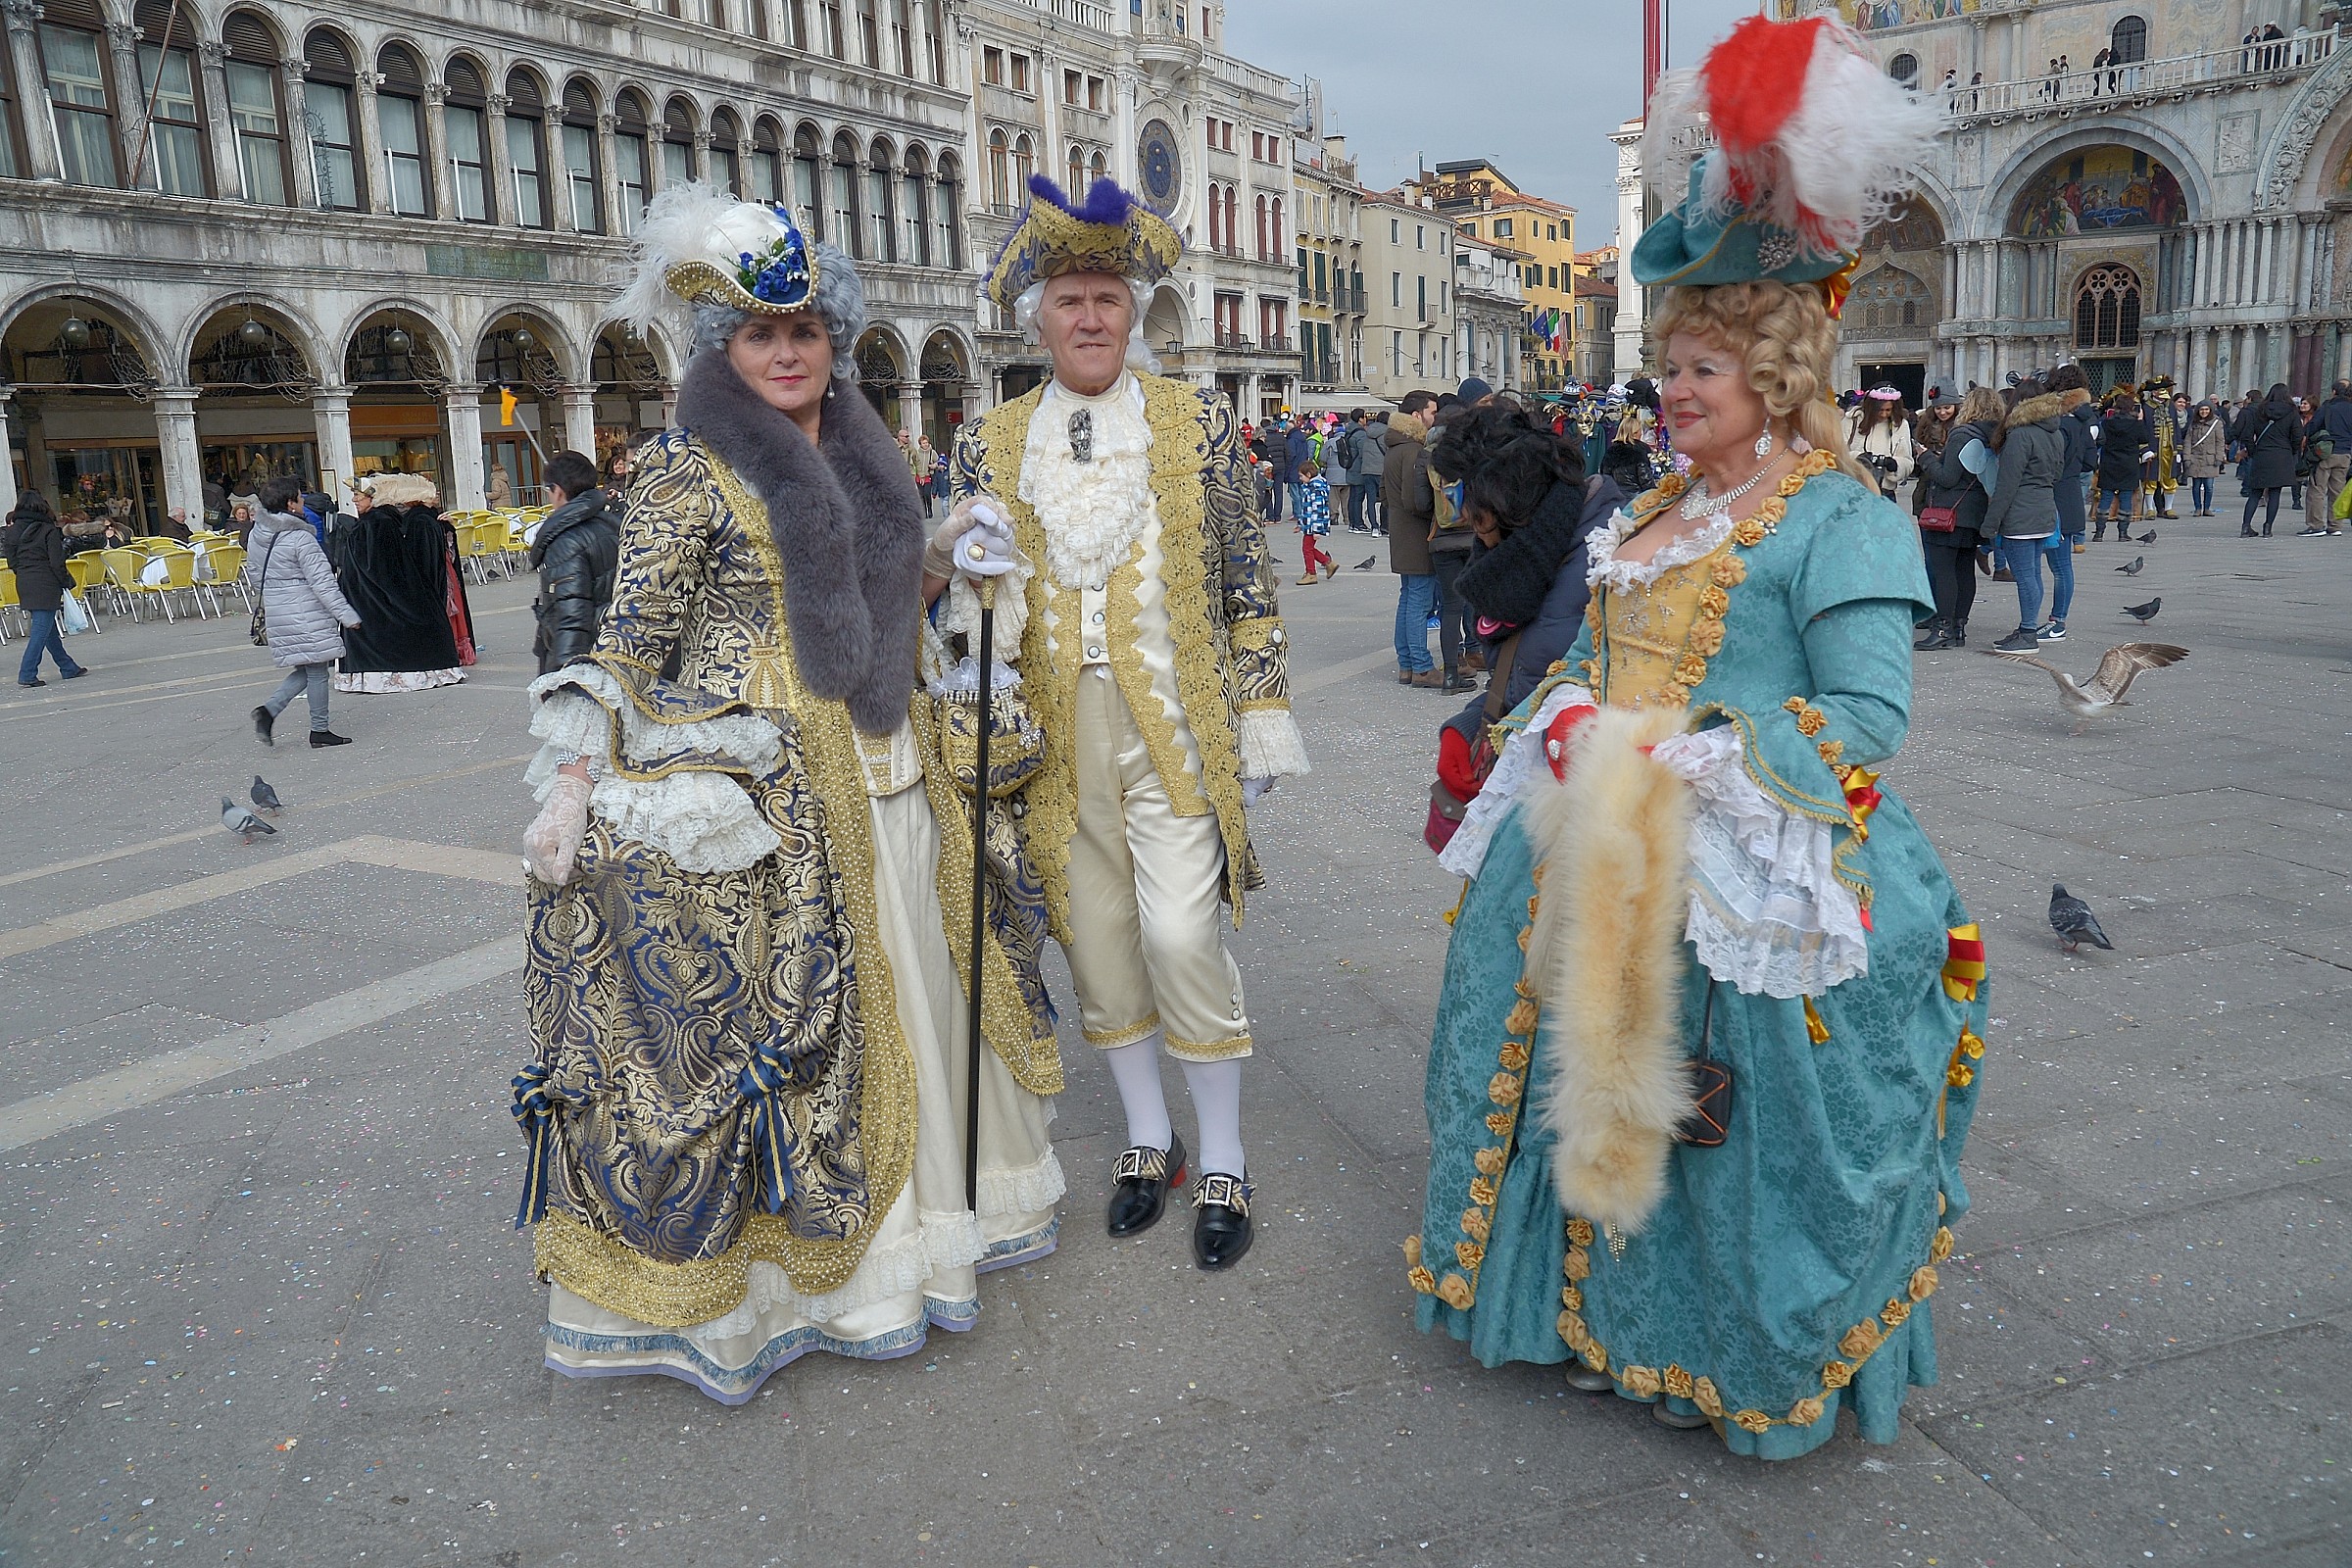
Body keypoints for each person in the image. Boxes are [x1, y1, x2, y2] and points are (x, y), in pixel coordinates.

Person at [1410, 13, 1984, 1460]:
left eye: (1703, 371)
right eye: (1669, 367)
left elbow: (1867, 718)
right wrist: (1562, 713)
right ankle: (1573, 1313)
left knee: (1727, 1118)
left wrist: (1698, 753)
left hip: (1741, 852)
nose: (1672, 393)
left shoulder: (1840, 519)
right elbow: (1585, 658)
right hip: (1596, 838)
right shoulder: (1652, 514)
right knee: (1537, 1060)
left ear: (1779, 376)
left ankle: (1696, 1342)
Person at [514, 184, 1064, 1401]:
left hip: (893, 754)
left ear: (833, 341)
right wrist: (573, 775)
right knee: (799, 1021)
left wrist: (940, 558)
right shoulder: (682, 468)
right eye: (762, 337)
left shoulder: (871, 451)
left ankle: (934, 1233)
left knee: (923, 984)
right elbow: (631, 636)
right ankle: (811, 1286)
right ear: (723, 347)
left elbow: (877, 607)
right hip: (765, 780)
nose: (786, 354)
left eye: (805, 333)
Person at [950, 173, 1308, 1271]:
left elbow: (1247, 581)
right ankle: (1149, 1142)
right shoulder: (991, 441)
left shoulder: (1197, 422)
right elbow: (971, 613)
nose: (1092, 316)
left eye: (1108, 296)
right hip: (1057, 742)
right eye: (1070, 300)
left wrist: (1260, 715)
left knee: (1181, 936)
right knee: (1100, 945)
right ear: (1039, 320)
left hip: (1175, 727)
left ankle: (1228, 1153)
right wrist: (963, 580)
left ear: (1133, 311)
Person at [246, 477, 362, 747]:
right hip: (306, 609)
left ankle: (268, 712)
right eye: (300, 498)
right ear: (290, 504)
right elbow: (323, 581)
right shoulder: (300, 537)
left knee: (310, 666)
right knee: (318, 670)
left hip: (278, 609)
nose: (303, 502)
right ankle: (318, 729)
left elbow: (254, 573)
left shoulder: (256, 533)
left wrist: (277, 592)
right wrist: (347, 615)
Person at [1912, 386, 2002, 650]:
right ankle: (1959, 627)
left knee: (1944, 572)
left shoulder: (1963, 433)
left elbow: (1948, 478)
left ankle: (1943, 628)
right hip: (1976, 511)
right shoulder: (1994, 434)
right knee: (1964, 570)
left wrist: (1926, 458)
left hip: (1951, 512)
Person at [1982, 378, 2067, 653]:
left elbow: (2007, 484)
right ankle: (2027, 626)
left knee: (2024, 574)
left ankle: (2028, 632)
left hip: (2021, 513)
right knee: (2034, 572)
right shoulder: (2055, 432)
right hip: (2044, 508)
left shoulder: (2021, 435)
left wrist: (1990, 523)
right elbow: (2058, 474)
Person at [528, 449, 621, 674]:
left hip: (586, 654)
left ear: (558, 491)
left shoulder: (567, 540)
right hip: (613, 645)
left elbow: (571, 613)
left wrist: (565, 674)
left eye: (548, 490)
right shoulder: (611, 523)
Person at [1386, 389, 1442, 687]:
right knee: (1419, 601)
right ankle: (1421, 666)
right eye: (1433, 412)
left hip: (1400, 532)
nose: (1436, 417)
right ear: (1417, 416)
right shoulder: (1413, 450)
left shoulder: (1396, 447)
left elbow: (1385, 495)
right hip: (1417, 535)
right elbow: (1415, 500)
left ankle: (1406, 664)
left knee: (1408, 599)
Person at [3, 494, 89, 689]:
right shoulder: (48, 529)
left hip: (25, 580)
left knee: (47, 628)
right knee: (41, 630)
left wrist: (25, 572)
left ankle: (68, 667)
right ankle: (27, 672)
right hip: (46, 581)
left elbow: (12, 561)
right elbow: (56, 561)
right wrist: (66, 581)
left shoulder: (12, 531)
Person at [1427, 399, 1482, 692]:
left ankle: (1450, 674)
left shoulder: (1430, 460)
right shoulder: (1472, 456)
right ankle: (1492, 666)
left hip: (1442, 540)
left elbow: (1422, 503)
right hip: (1474, 537)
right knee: (1482, 603)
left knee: (1450, 609)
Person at [2231, 382, 2302, 537]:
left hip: (2262, 453)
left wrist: (2252, 451)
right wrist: (2292, 450)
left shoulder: (2259, 410)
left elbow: (2247, 434)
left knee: (2255, 492)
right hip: (2282, 454)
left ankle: (2245, 527)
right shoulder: (2292, 411)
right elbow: (2298, 435)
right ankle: (2268, 528)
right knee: (2275, 492)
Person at [2092, 389, 2150, 542]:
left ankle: (2099, 533)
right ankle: (2122, 533)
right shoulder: (2135, 425)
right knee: (2125, 497)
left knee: (2106, 496)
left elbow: (2100, 440)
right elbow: (2144, 439)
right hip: (2129, 464)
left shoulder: (2106, 423)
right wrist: (2140, 421)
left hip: (2109, 463)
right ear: (2132, 408)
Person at [1844, 386, 1914, 500]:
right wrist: (1859, 457)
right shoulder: (1852, 421)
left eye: (1888, 410)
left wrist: (1895, 465)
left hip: (1886, 492)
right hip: (1855, 489)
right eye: (1880, 410)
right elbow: (1837, 453)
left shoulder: (1901, 425)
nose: (1883, 415)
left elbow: (1908, 461)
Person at [2305, 379, 2352, 534]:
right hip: (2345, 453)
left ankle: (2316, 525)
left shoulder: (2328, 407)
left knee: (2317, 488)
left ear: (2333, 392)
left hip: (2327, 451)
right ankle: (2335, 526)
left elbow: (2312, 427)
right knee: (2337, 490)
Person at [2180, 398, 2228, 515]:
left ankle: (2207, 508)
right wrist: (2186, 457)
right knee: (2196, 486)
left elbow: (2220, 441)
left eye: (2206, 409)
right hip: (2195, 458)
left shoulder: (2217, 423)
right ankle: (2197, 508)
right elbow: (2188, 441)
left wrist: (2219, 457)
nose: (2204, 412)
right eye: (2202, 409)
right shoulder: (2193, 423)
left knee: (2209, 486)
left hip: (2210, 458)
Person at [1295, 457, 1335, 584]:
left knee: (1307, 549)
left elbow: (1318, 510)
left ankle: (1311, 573)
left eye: (1301, 476)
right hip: (1310, 525)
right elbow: (1307, 510)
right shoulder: (1312, 486)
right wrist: (1301, 524)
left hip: (1314, 526)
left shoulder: (1315, 489)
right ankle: (1328, 563)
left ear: (1309, 474)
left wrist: (1317, 530)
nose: (1300, 479)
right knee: (1309, 548)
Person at [1322, 408, 1355, 532]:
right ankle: (1347, 518)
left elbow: (1322, 457)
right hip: (1347, 474)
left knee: (1333, 498)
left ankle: (1333, 516)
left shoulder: (1330, 442)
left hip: (1332, 475)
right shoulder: (1349, 442)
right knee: (1346, 498)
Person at [1353, 408, 1386, 533]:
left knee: (1371, 500)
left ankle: (1374, 527)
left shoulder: (1367, 433)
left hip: (1367, 470)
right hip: (1381, 471)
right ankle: (1384, 525)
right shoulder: (1386, 434)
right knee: (1385, 499)